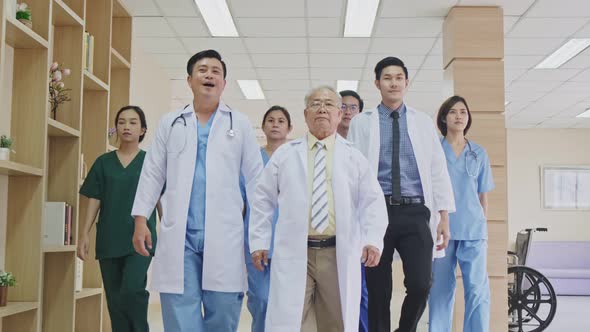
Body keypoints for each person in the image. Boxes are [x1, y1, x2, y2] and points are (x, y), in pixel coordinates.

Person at [130, 49, 263, 332]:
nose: (209, 75)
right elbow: (152, 173)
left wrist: (260, 233)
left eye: (216, 71)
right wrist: (141, 220)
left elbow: (255, 182)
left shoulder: (238, 124)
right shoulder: (170, 122)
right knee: (179, 310)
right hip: (182, 233)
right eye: (202, 70)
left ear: (224, 83)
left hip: (225, 233)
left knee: (224, 309)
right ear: (189, 80)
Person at [249, 86, 388, 331]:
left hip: (337, 252)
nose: (322, 108)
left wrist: (373, 240)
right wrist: (260, 240)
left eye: (329, 104)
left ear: (338, 114)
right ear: (305, 115)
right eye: (315, 103)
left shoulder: (354, 157)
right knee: (292, 322)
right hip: (294, 249)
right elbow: (262, 199)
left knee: (335, 322)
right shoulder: (285, 155)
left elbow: (372, 201)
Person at [348, 57, 455, 332]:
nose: (393, 82)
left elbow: (437, 169)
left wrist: (443, 216)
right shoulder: (362, 123)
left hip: (416, 212)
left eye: (398, 77)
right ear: (377, 84)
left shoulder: (422, 122)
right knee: (377, 289)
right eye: (387, 78)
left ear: (406, 83)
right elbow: (353, 170)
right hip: (376, 212)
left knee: (421, 283)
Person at [78, 105, 160, 332]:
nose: (126, 127)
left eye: (133, 122)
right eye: (122, 122)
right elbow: (94, 199)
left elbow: (162, 201)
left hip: (142, 240)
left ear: (143, 130)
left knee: (132, 289)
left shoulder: (151, 162)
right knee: (114, 299)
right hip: (109, 238)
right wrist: (84, 234)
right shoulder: (103, 162)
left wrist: (170, 235)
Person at [428, 95, 494, 332]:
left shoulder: (479, 153)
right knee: (440, 291)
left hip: (473, 231)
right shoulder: (434, 150)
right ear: (444, 118)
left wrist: (482, 226)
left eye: (463, 112)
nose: (459, 116)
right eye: (453, 112)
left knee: (477, 289)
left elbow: (482, 195)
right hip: (441, 231)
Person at [243, 105, 292, 332]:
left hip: (287, 239)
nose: (275, 124)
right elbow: (240, 198)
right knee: (260, 299)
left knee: (285, 301)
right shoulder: (252, 160)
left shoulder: (295, 158)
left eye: (281, 121)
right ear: (263, 126)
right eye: (270, 120)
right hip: (255, 238)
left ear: (289, 128)